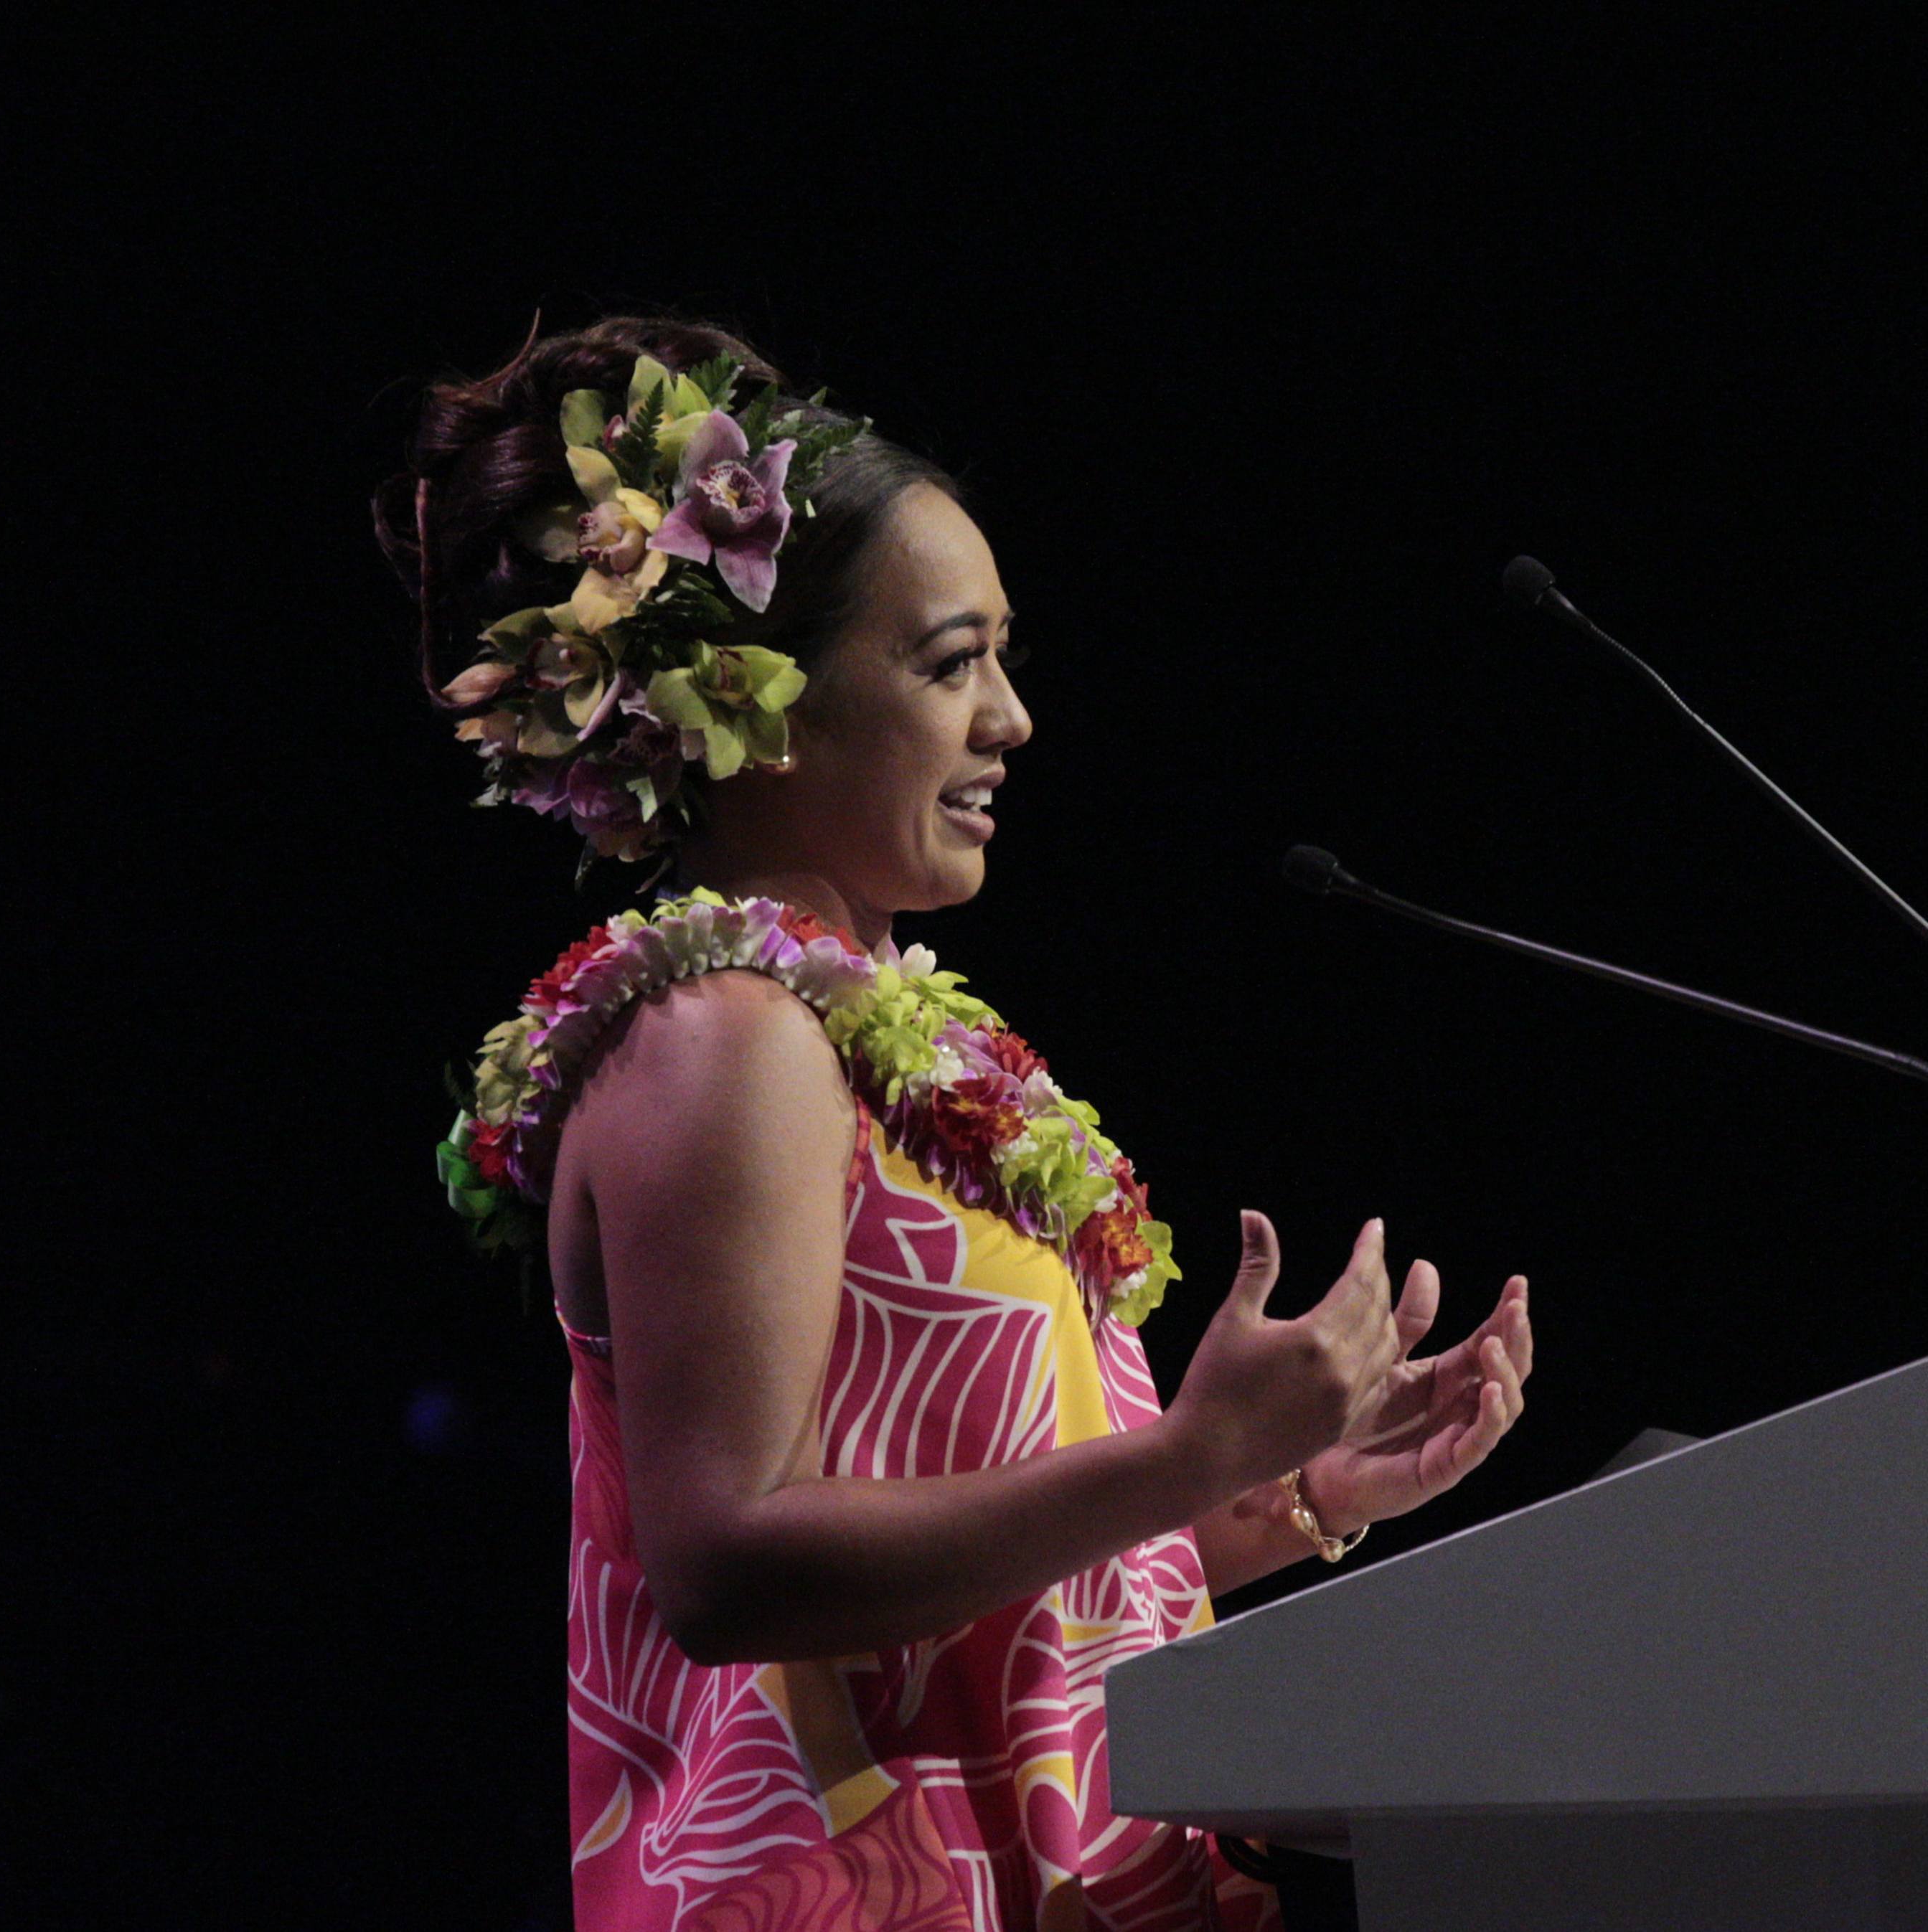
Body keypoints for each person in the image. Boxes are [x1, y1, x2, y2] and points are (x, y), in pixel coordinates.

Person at [378, 315, 1534, 1932]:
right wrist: (1188, 1450)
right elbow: (733, 1567)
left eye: (1004, 660)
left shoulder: (876, 1045)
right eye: (949, 663)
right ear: (760, 703)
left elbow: (965, 1583)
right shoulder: (726, 1041)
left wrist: (1273, 1497)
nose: (1012, 721)